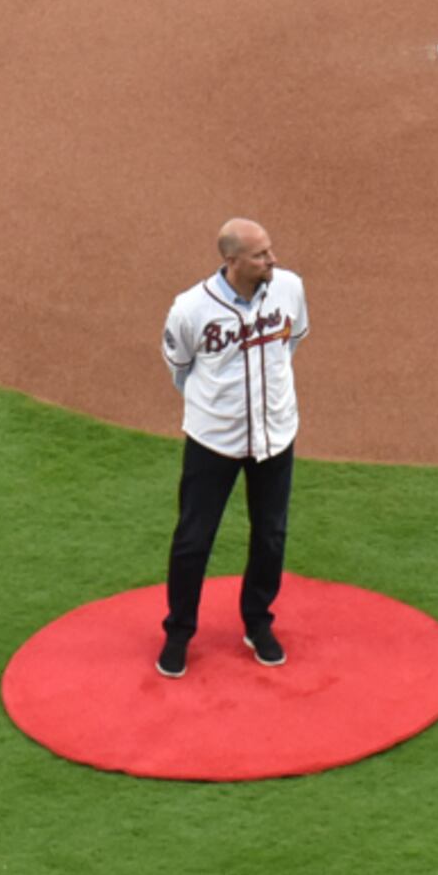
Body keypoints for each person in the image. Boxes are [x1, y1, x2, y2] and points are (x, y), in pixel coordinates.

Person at [157, 218, 309, 677]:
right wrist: (221, 408)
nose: (272, 259)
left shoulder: (289, 289)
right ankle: (179, 633)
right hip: (213, 442)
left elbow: (293, 340)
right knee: (193, 540)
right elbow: (179, 366)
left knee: (270, 534)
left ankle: (258, 623)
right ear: (232, 261)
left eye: (270, 250)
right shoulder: (190, 309)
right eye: (261, 254)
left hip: (276, 436)